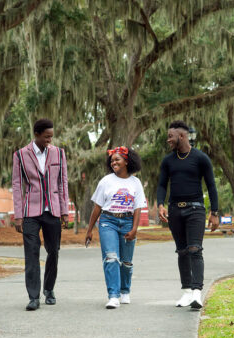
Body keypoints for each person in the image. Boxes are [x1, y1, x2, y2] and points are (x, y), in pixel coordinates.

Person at [157, 121, 219, 309]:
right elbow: (161, 185)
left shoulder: (200, 158)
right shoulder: (168, 161)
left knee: (195, 249)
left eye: (170, 136)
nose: (168, 140)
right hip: (175, 210)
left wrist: (214, 212)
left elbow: (211, 185)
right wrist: (160, 204)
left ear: (181, 136)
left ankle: (197, 293)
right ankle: (186, 292)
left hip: (195, 210)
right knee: (182, 251)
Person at [12, 118, 69, 311]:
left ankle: (49, 290)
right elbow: (17, 185)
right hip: (30, 212)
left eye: (52, 137)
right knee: (32, 253)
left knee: (53, 251)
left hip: (53, 210)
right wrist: (18, 215)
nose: (50, 141)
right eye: (46, 137)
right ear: (36, 135)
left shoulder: (59, 154)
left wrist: (64, 211)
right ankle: (33, 297)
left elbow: (63, 183)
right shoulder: (20, 155)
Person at [85, 147, 146, 309]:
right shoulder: (106, 181)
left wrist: (134, 229)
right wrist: (90, 229)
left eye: (117, 159)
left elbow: (138, 208)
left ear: (127, 161)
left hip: (127, 221)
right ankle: (113, 296)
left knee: (126, 262)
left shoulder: (136, 183)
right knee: (111, 258)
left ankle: (125, 291)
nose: (114, 162)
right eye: (112, 160)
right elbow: (97, 207)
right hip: (108, 221)